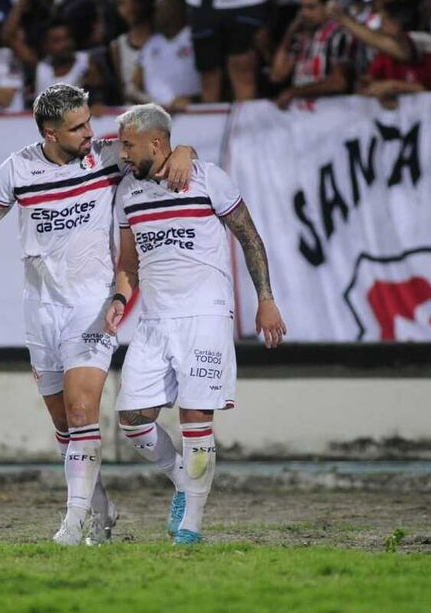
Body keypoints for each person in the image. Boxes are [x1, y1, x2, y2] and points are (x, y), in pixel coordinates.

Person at [0, 83, 196, 546]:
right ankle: (101, 512)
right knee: (66, 428)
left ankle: (72, 524)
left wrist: (185, 146)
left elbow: (155, 147)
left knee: (84, 412)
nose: (90, 132)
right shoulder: (18, 169)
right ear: (49, 132)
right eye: (77, 127)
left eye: (88, 122)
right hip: (40, 309)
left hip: (91, 306)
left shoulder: (105, 157)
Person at [105, 103, 285, 545]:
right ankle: (184, 481)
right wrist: (118, 297)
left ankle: (191, 527)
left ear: (157, 143)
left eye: (128, 146)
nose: (122, 154)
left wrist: (266, 300)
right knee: (132, 418)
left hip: (205, 315)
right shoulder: (129, 193)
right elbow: (128, 263)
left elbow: (249, 235)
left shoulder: (208, 178)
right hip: (154, 320)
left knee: (195, 420)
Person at [269, 0, 353, 109]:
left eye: (311, 7)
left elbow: (338, 82)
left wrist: (294, 92)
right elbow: (277, 75)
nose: (304, 13)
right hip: (301, 111)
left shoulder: (340, 35)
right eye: (301, 7)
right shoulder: (300, 36)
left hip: (330, 109)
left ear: (329, 6)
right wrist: (289, 34)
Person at [133, 0, 201, 112]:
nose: (156, 14)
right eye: (156, 9)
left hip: (193, 112)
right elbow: (134, 85)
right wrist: (153, 104)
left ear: (178, 9)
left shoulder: (196, 38)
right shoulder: (151, 44)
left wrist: (194, 100)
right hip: (157, 116)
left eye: (162, 9)